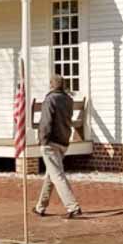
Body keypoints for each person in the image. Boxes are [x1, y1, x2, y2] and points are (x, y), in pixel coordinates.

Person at [32, 75, 82, 219]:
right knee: (51, 174)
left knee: (57, 175)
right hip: (63, 141)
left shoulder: (50, 99)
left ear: (51, 85)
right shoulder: (68, 100)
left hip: (51, 142)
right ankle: (40, 207)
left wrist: (42, 139)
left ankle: (73, 207)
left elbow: (46, 122)